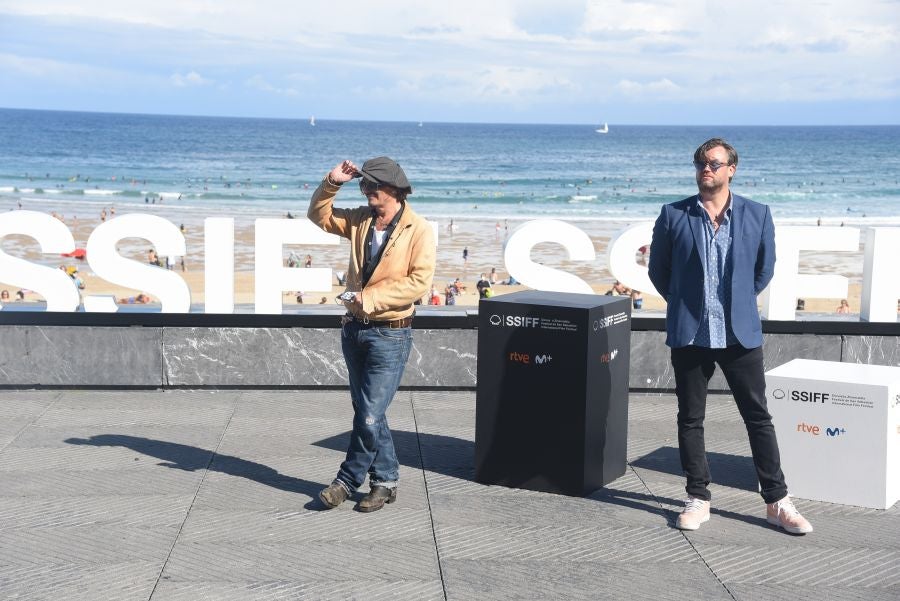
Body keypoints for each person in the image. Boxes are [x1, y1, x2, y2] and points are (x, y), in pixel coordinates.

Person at [648, 138, 812, 535]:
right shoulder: (673, 215)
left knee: (758, 418)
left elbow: (763, 270)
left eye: (715, 163)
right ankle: (698, 498)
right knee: (691, 419)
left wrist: (736, 302)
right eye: (701, 163)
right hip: (691, 334)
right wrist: (687, 304)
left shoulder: (757, 214)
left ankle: (777, 501)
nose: (707, 169)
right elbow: (659, 271)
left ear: (731, 169)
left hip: (740, 334)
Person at [308, 156, 435, 513]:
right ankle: (386, 481)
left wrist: (371, 298)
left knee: (367, 415)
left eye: (369, 185)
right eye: (361, 185)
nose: (364, 191)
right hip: (354, 332)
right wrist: (332, 182)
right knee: (369, 412)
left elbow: (419, 282)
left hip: (391, 335)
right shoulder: (361, 219)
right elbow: (319, 217)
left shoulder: (419, 230)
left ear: (392, 189)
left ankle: (346, 481)